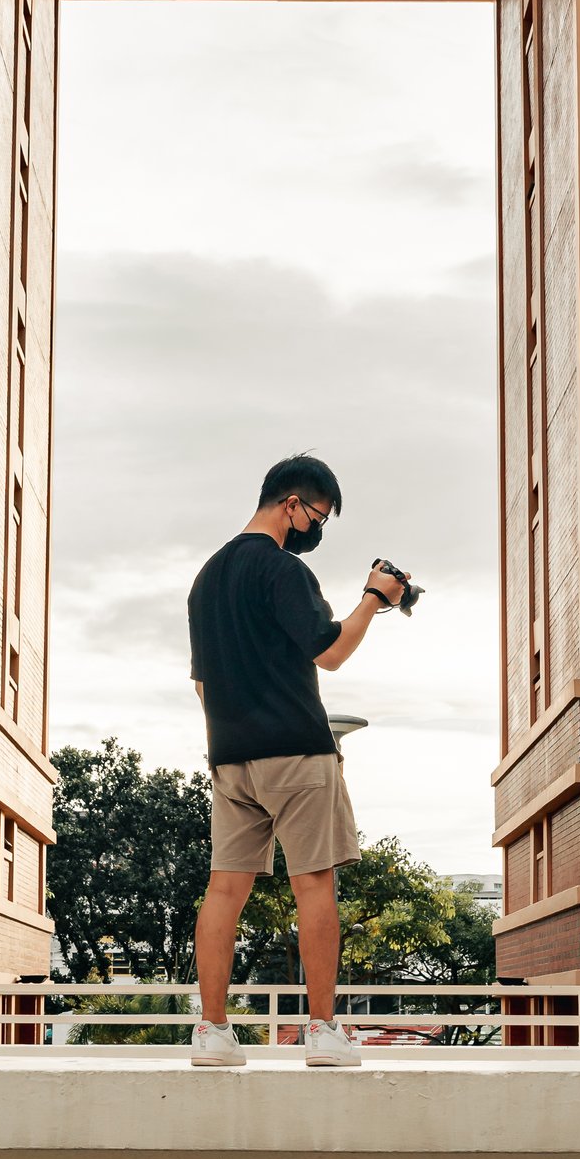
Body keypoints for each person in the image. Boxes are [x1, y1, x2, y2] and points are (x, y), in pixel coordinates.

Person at [185, 453, 408, 1067]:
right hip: (296, 752)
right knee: (314, 883)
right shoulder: (281, 571)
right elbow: (330, 652)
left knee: (224, 889)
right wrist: (374, 597)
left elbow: (202, 684)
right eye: (318, 516)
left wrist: (233, 735)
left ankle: (211, 1033)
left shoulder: (207, 576)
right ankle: (323, 1032)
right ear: (291, 505)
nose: (316, 530)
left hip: (229, 758)